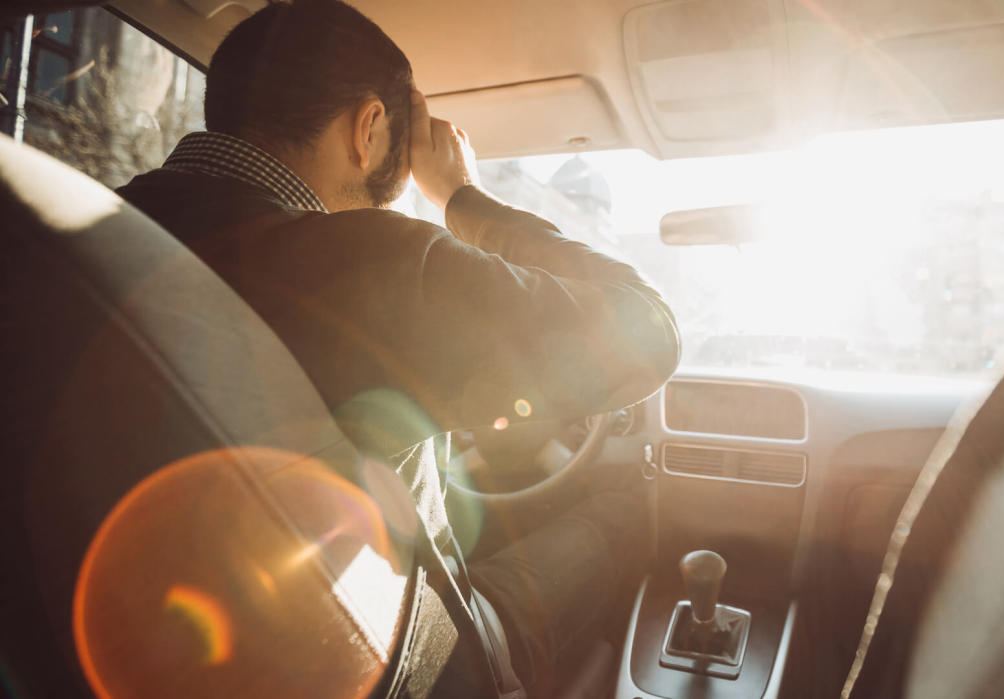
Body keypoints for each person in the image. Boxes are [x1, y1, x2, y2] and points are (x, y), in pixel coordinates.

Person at [116, 0, 679, 695]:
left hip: (153, 638)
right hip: (397, 658)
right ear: (369, 127)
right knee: (617, 515)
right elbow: (648, 331)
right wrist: (465, 198)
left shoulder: (78, 237)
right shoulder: (370, 266)